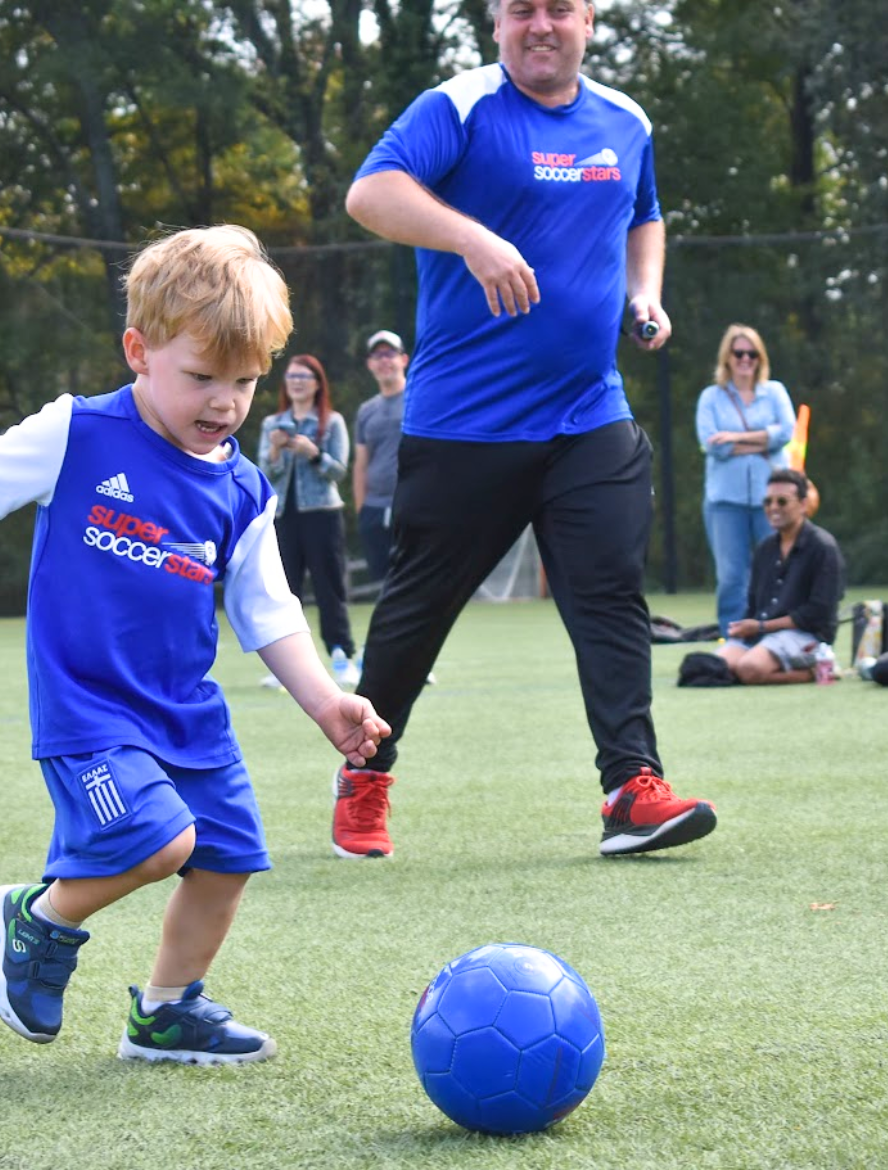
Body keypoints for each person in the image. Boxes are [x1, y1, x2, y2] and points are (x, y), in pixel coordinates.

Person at [0, 225, 390, 1065]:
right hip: (90, 709)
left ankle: (166, 1012)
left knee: (226, 859)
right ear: (139, 352)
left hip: (188, 715)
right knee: (161, 841)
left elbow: (271, 612)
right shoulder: (77, 433)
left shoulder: (243, 486)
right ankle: (38, 919)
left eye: (245, 381)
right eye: (203, 377)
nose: (225, 402)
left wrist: (327, 702)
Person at [337, 0, 718, 860]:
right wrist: (472, 239)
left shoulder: (626, 120)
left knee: (611, 593)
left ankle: (630, 788)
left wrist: (644, 293)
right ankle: (365, 773)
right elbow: (371, 191)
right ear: (498, 25)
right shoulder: (460, 105)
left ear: (590, 22)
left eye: (558, 9)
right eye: (520, 10)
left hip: (590, 415)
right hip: (466, 426)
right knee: (417, 613)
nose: (539, 24)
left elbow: (644, 211)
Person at [257, 354, 360, 688]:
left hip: (322, 515)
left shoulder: (331, 422)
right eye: (291, 377)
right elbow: (265, 473)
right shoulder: (273, 424)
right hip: (285, 516)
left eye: (304, 376)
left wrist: (313, 453)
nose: (297, 382)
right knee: (286, 590)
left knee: (330, 586)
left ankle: (341, 653)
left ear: (317, 383)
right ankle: (287, 668)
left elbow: (339, 471)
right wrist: (275, 451)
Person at [696, 324, 796, 636]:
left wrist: (738, 437)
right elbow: (714, 444)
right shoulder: (711, 397)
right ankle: (733, 640)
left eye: (752, 353)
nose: (745, 359)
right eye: (739, 352)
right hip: (725, 500)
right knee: (732, 576)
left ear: (759, 357)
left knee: (776, 571)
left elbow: (787, 433)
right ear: (727, 357)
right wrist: (764, 438)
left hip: (773, 501)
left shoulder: (775, 391)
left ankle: (775, 635)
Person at [716, 469, 844, 684]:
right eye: (768, 502)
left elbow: (818, 613)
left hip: (806, 635)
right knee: (717, 667)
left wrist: (761, 627)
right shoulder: (765, 548)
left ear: (803, 504)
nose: (773, 507)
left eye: (782, 501)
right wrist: (747, 628)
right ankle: (760, 663)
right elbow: (755, 604)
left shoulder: (823, 547)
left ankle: (817, 671)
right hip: (763, 633)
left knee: (749, 669)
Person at [353, 330, 409, 586]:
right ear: (370, 364)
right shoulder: (367, 410)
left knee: (412, 579)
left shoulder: (418, 400)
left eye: (390, 354)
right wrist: (362, 510)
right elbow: (361, 464)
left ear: (403, 360)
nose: (384, 360)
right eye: (378, 355)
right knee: (383, 585)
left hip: (411, 505)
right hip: (374, 509)